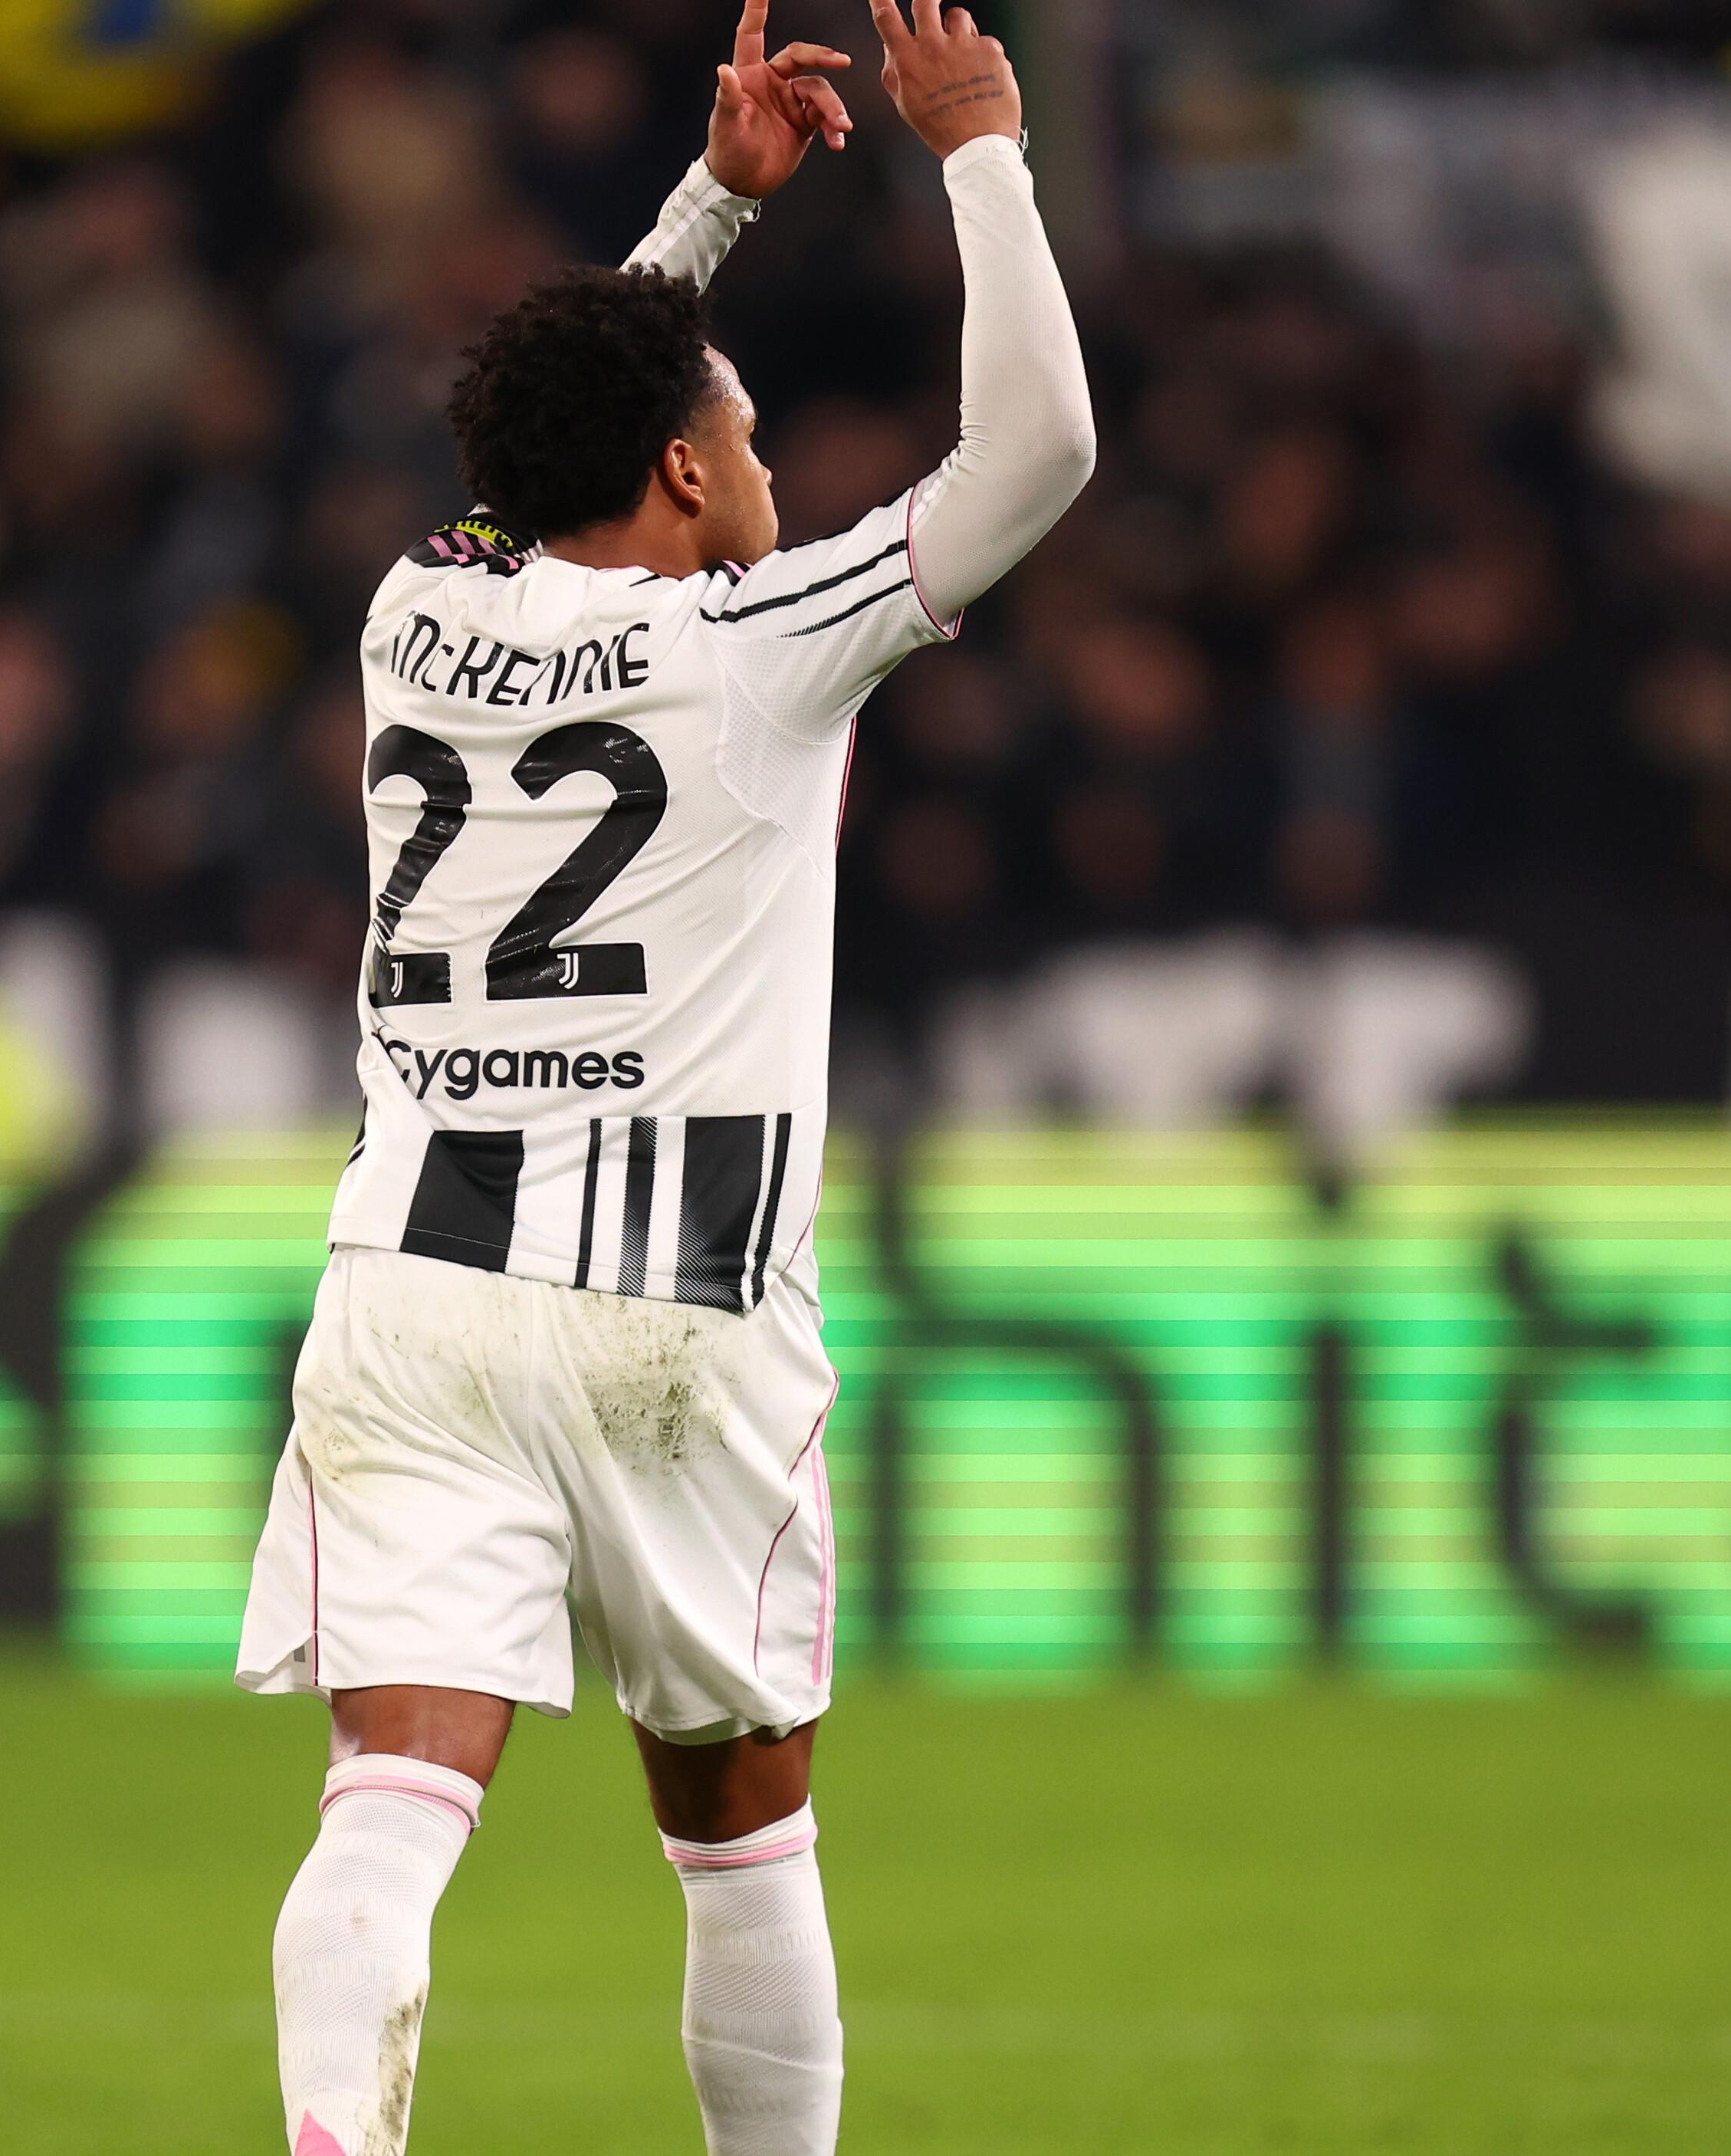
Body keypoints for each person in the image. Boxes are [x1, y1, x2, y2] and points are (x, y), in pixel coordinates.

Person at [233, 5, 1093, 2152]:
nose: (775, 466)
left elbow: (546, 446)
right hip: (682, 1313)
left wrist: (717, 204)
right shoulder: (763, 641)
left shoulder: (417, 613)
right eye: (751, 433)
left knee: (391, 1803)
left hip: (413, 1299)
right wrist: (981, 148)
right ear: (696, 473)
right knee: (741, 1834)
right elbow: (1042, 456)